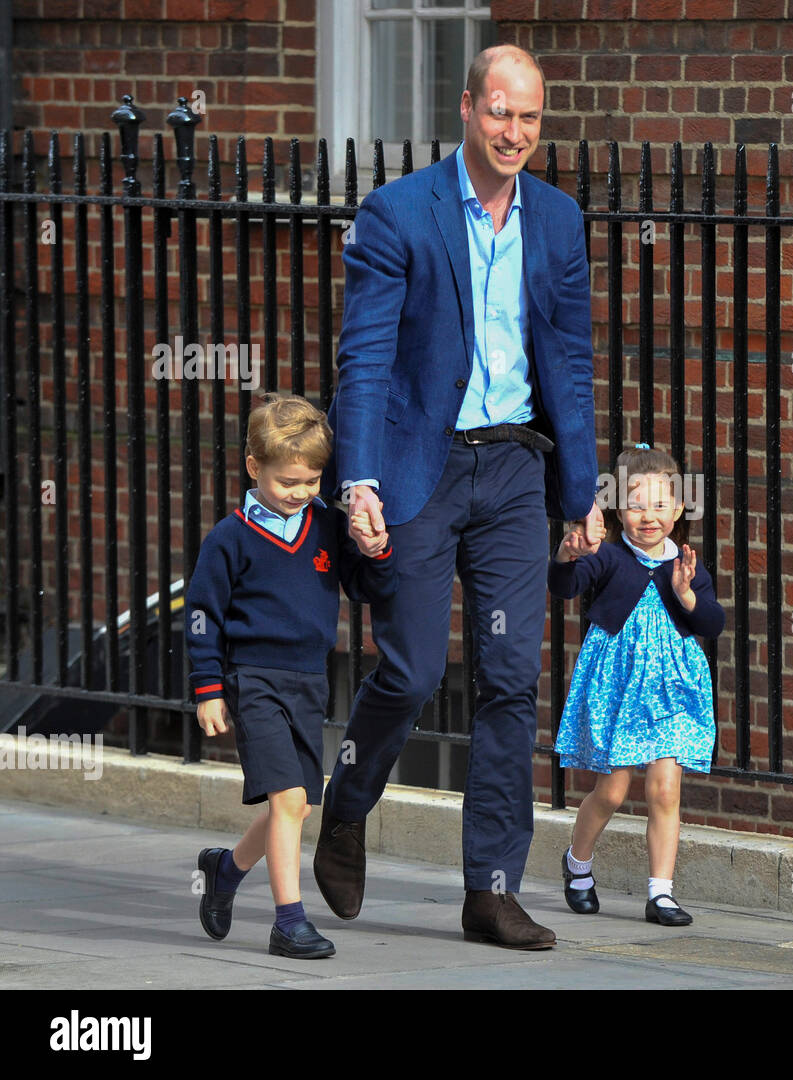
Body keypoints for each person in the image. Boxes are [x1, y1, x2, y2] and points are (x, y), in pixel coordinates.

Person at [315, 43, 603, 950]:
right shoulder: (398, 213)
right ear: (468, 107)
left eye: (529, 118)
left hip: (516, 469)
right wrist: (357, 477)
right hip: (420, 468)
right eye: (499, 113)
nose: (514, 133)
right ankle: (348, 801)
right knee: (411, 671)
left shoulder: (558, 221)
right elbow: (362, 360)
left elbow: (572, 363)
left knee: (511, 677)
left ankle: (490, 888)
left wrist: (580, 490)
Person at [185, 393, 396, 958]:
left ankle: (225, 871)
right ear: (254, 468)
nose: (302, 491)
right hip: (252, 679)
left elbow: (371, 588)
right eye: (288, 481)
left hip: (309, 680)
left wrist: (375, 550)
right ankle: (289, 921)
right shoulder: (228, 540)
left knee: (299, 803)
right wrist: (208, 689)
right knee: (286, 798)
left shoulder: (328, 524)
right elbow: (202, 615)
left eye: (313, 480)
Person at [548, 443, 725, 926]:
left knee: (666, 790)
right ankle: (578, 864)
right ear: (616, 509)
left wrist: (688, 596)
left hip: (673, 689)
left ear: (679, 507)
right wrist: (565, 557)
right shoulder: (606, 557)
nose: (648, 516)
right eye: (635, 505)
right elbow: (565, 586)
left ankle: (661, 893)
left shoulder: (686, 564)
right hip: (619, 687)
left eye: (659, 505)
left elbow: (713, 623)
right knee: (612, 792)